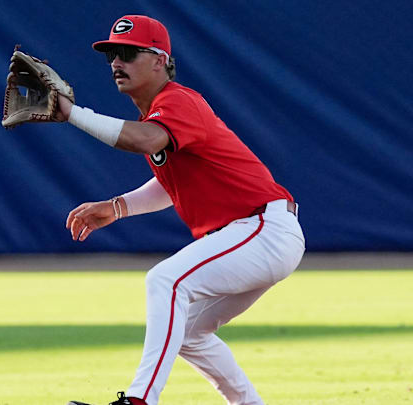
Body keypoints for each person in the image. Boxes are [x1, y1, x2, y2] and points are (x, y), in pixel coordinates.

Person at [58, 15, 305, 405]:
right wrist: (119, 207)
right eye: (111, 55)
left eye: (128, 53)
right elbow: (170, 184)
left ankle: (140, 400)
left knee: (167, 281)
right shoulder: (158, 113)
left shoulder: (177, 100)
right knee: (188, 332)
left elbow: (145, 141)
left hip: (262, 228)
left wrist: (73, 113)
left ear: (159, 60)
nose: (116, 63)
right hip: (254, 234)